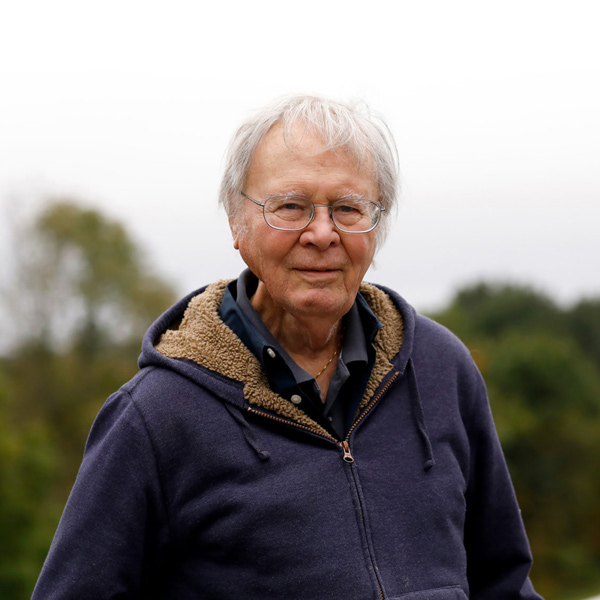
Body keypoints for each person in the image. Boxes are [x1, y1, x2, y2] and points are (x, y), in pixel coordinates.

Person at [33, 95, 543, 599]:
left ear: (377, 225)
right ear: (237, 222)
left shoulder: (439, 369)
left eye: (348, 208)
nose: (322, 234)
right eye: (291, 206)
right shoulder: (156, 416)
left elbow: (503, 583)